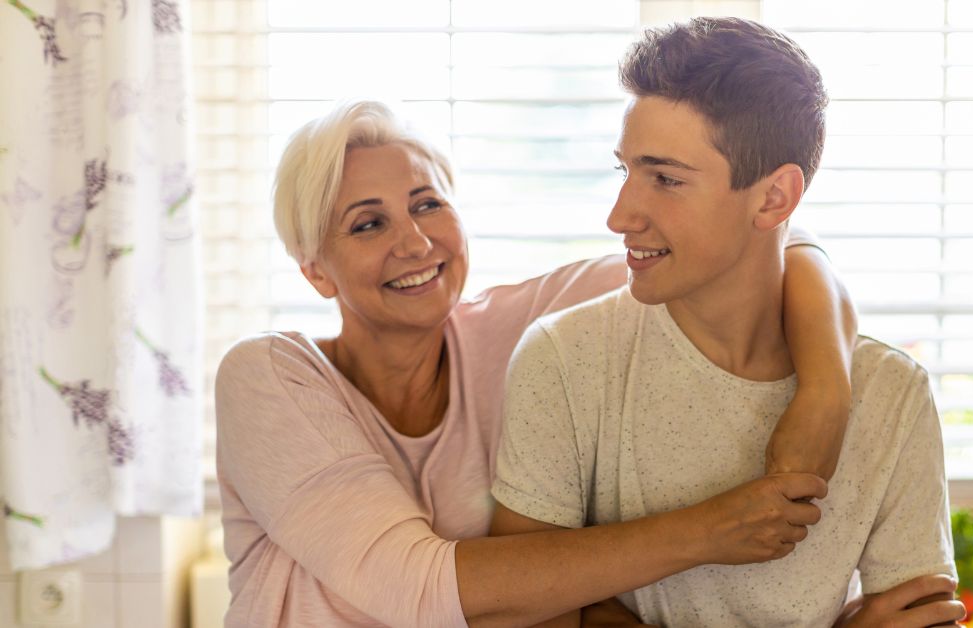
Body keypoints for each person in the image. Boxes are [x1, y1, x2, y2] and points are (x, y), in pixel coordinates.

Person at [214, 97, 862, 627]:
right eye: (366, 225)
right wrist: (710, 531)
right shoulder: (270, 378)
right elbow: (415, 586)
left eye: (426, 204)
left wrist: (826, 393)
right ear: (315, 271)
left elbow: (760, 245)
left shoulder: (524, 331)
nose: (414, 242)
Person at [491, 17, 962, 628]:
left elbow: (920, 616)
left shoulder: (891, 393)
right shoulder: (564, 357)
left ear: (774, 198)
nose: (619, 215)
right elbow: (516, 612)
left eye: (665, 179)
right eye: (624, 170)